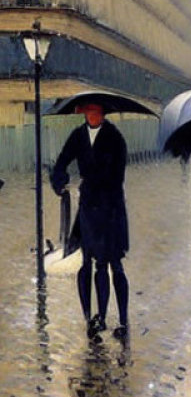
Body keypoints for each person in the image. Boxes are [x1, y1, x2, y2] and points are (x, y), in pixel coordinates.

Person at [50, 102, 130, 340]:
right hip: (88, 206)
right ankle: (90, 318)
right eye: (88, 111)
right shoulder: (78, 135)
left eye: (95, 110)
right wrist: (59, 180)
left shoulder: (115, 138)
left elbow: (118, 177)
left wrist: (97, 186)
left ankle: (120, 319)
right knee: (86, 263)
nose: (91, 115)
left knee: (111, 263)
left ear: (103, 112)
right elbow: (61, 162)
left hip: (110, 208)